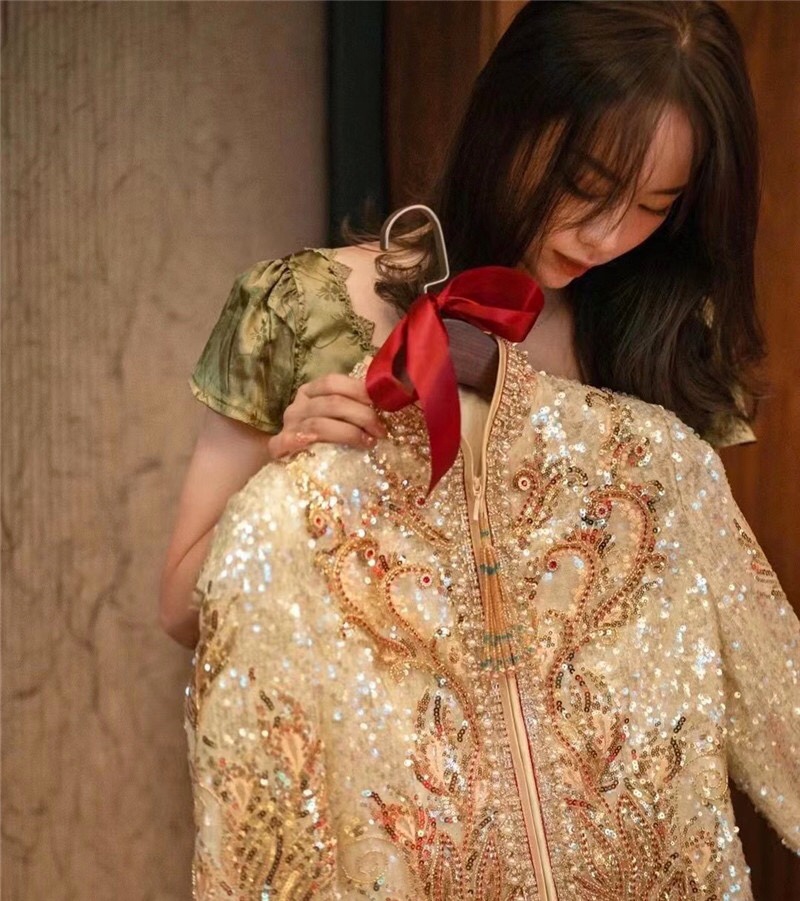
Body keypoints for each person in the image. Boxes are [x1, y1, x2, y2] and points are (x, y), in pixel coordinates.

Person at [159, 0, 763, 651]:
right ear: (508, 117)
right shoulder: (306, 308)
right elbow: (182, 614)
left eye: (652, 206)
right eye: (586, 184)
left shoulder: (670, 344)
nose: (606, 236)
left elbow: (703, 632)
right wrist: (292, 482)